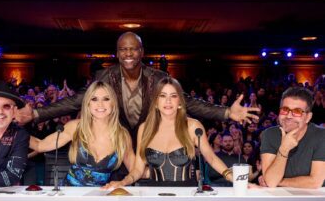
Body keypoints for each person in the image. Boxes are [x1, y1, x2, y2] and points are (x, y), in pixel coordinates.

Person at [16, 32, 259, 143]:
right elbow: (76, 100)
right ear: (117, 53)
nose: (128, 53)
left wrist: (227, 113)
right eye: (123, 49)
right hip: (114, 142)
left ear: (141, 52)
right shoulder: (105, 76)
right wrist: (37, 113)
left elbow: (189, 104)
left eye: (133, 48)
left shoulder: (158, 77)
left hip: (149, 142)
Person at [102, 77, 233, 188]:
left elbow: (211, 158)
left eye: (173, 96)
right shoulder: (145, 128)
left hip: (186, 194)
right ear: (155, 103)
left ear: (180, 102)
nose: (168, 101)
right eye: (163, 96)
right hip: (154, 194)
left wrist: (232, 177)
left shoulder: (193, 126)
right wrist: (123, 182)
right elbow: (137, 169)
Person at [29, 81, 134, 186]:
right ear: (88, 104)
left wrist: (124, 182)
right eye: (94, 99)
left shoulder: (122, 135)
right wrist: (14, 131)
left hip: (100, 199)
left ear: (113, 104)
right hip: (69, 196)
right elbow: (40, 145)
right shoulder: (76, 127)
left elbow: (136, 169)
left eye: (106, 99)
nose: (100, 104)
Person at [260, 87, 325, 188]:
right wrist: (284, 148)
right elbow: (271, 182)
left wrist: (279, 182)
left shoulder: (321, 135)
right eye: (285, 110)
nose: (289, 116)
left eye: (297, 111)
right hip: (279, 199)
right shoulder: (269, 134)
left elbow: (315, 182)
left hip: (314, 199)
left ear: (308, 117)